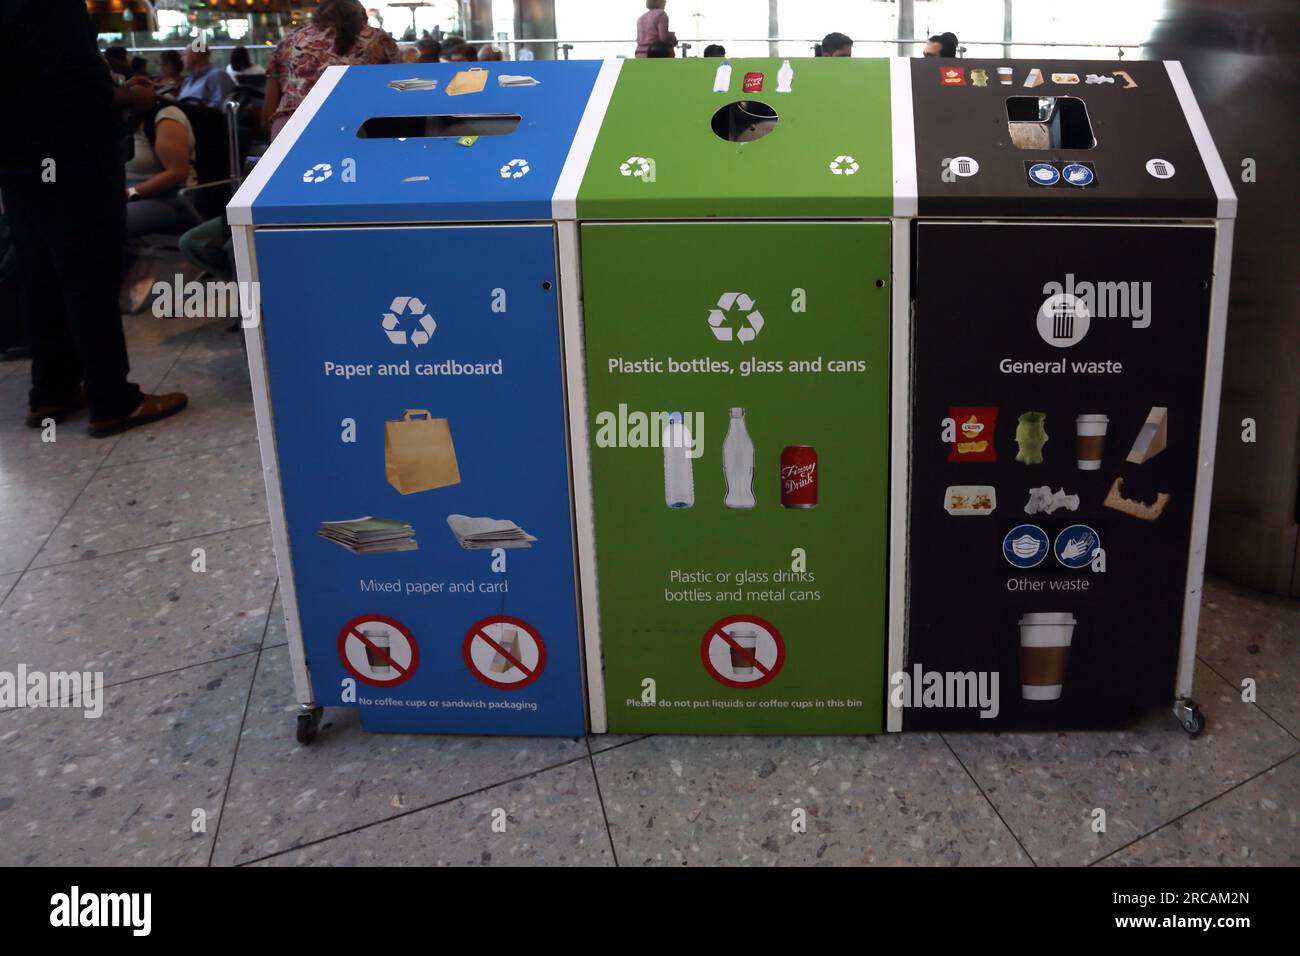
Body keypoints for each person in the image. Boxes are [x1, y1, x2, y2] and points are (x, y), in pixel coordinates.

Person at [0, 0, 187, 437]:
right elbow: (78, 91)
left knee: (40, 274)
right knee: (89, 276)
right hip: (73, 159)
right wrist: (132, 96)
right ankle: (113, 400)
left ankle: (52, 390)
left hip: (18, 160)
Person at [263, 0, 398, 140]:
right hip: (356, 128)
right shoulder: (377, 38)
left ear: (317, 16)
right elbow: (398, 87)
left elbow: (270, 101)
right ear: (362, 16)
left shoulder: (292, 39)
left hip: (291, 128)